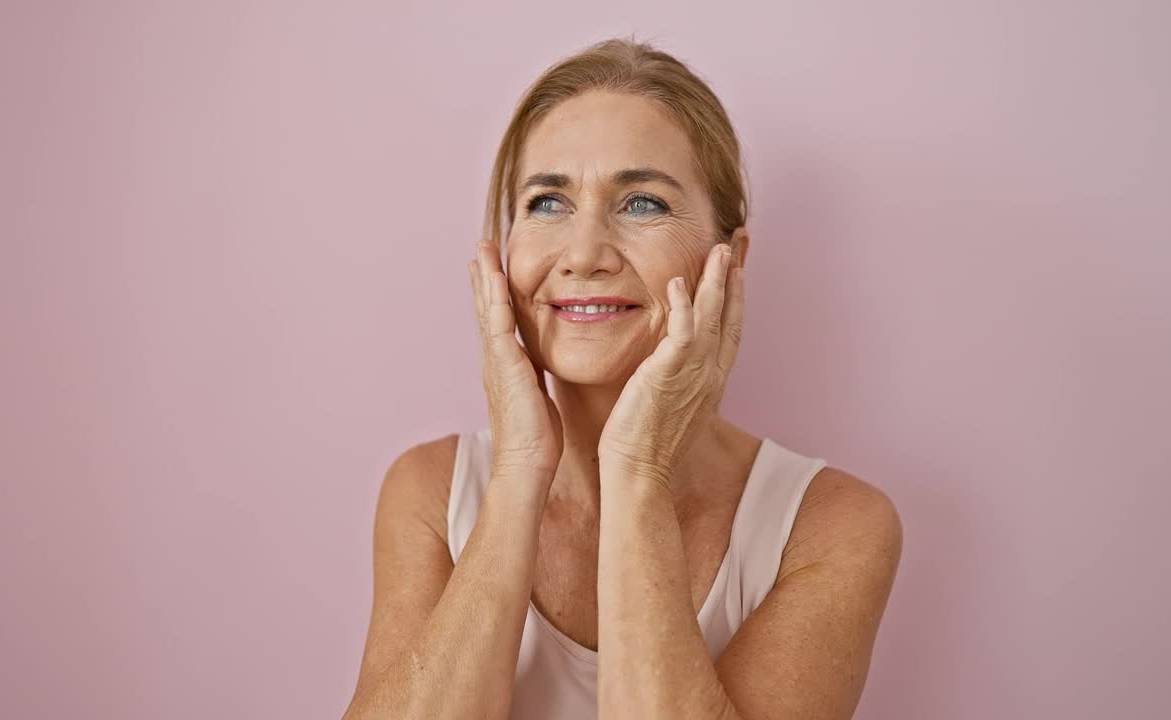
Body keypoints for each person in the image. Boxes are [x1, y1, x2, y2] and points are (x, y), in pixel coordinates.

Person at [344, 36, 903, 720]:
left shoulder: (833, 525)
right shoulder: (428, 494)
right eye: (547, 202)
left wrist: (637, 473)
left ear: (729, 259)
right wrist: (520, 469)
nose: (583, 254)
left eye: (642, 203)